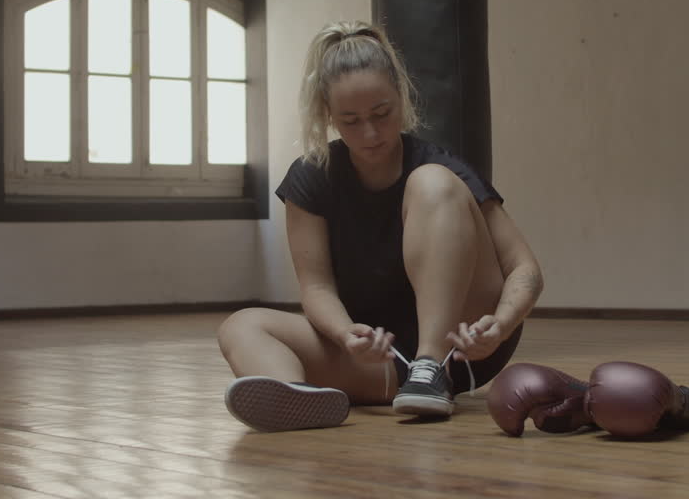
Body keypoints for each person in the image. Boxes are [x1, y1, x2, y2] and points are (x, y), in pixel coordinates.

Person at [217, 21, 544, 432]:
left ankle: (429, 367)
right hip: (381, 360)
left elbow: (524, 268)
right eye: (351, 120)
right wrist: (344, 335)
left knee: (432, 180)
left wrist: (502, 324)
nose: (370, 133)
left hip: (460, 351)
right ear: (328, 116)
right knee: (241, 325)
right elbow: (316, 287)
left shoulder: (440, 167)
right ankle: (296, 399)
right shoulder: (311, 177)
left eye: (382, 113)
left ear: (401, 97)